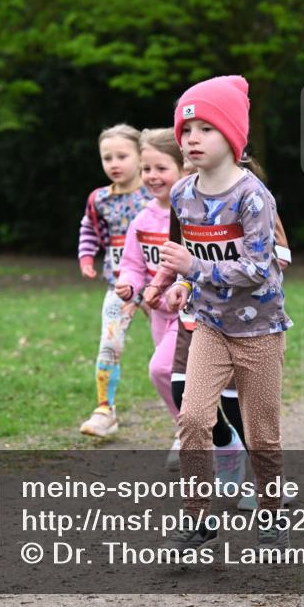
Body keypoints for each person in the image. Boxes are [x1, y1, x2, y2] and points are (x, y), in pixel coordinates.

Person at [152, 76, 292, 555]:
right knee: (192, 418)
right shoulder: (183, 195)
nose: (192, 138)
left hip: (259, 329)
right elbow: (195, 256)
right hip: (210, 324)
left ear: (232, 136)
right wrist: (182, 286)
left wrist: (194, 268)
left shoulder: (253, 197)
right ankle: (198, 519)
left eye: (206, 128)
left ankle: (273, 513)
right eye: (186, 129)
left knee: (261, 432)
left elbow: (256, 269)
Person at [76, 124, 151, 437]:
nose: (114, 163)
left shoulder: (156, 193)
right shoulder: (100, 200)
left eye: (122, 155)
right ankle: (105, 409)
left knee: (174, 350)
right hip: (119, 286)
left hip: (162, 286)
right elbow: (89, 230)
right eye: (107, 157)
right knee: (109, 345)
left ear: (140, 156)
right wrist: (86, 257)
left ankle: (190, 416)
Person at [114, 128, 182, 435]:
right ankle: (191, 431)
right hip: (157, 313)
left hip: (191, 312)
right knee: (176, 376)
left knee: (162, 369)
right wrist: (129, 285)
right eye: (146, 169)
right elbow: (132, 264)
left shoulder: (193, 214)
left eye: (161, 168)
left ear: (184, 169)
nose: (152, 176)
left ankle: (194, 431)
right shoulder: (142, 219)